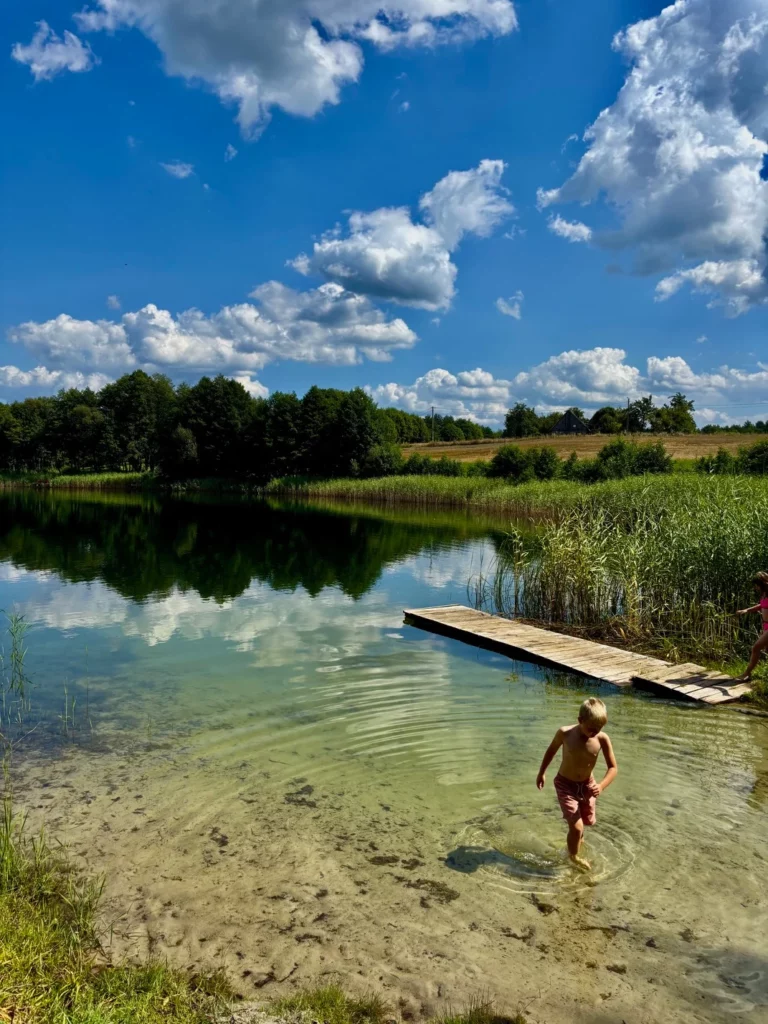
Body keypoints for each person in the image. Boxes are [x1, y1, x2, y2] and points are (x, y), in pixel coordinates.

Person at [536, 697, 618, 871]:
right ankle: (573, 857)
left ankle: (576, 845)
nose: (595, 732)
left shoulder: (602, 739)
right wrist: (542, 772)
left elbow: (613, 768)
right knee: (576, 827)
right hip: (565, 785)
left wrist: (601, 786)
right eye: (591, 728)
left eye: (599, 728)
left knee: (583, 824)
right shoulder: (565, 733)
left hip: (587, 786)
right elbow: (550, 751)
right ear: (580, 720)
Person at [735, 571, 768, 682]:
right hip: (765, 625)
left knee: (756, 648)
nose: (755, 588)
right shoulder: (764, 594)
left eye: (757, 585)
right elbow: (762, 605)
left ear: (762, 583)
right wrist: (746, 610)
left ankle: (747, 673)